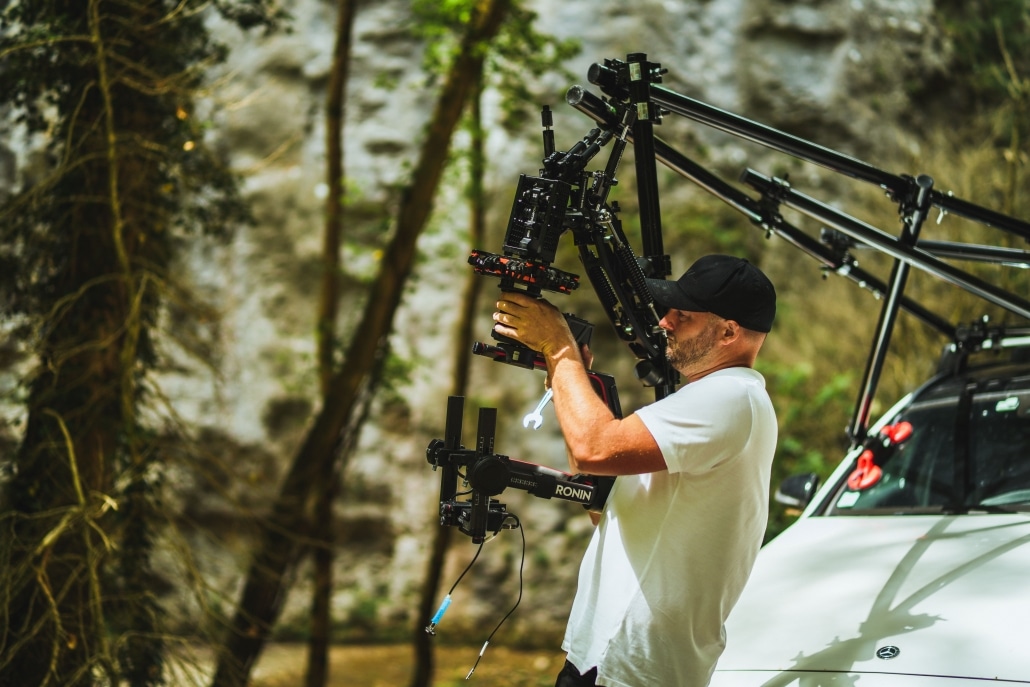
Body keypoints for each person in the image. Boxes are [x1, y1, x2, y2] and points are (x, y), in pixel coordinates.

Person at [492, 254, 778, 687]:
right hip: (603, 659)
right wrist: (573, 382)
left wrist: (560, 348)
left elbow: (594, 449)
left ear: (728, 332)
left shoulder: (730, 397)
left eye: (683, 315)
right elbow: (609, 503)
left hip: (633, 669)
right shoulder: (712, 401)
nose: (665, 321)